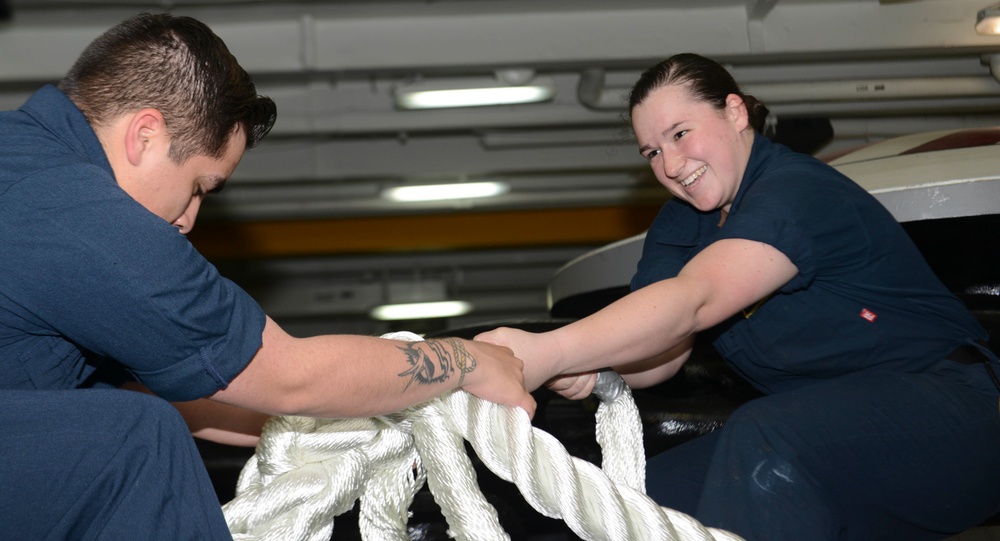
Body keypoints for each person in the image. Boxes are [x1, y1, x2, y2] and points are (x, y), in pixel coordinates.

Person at [0, 12, 534, 540]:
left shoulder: (23, 159)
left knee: (132, 410)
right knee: (137, 440)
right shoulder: (73, 209)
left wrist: (350, 428)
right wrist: (464, 362)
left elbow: (207, 395)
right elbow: (289, 376)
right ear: (145, 135)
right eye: (199, 187)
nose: (188, 221)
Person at [477, 53, 1000, 541]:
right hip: (831, 436)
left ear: (734, 112)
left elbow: (693, 302)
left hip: (960, 416)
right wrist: (592, 368)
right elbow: (663, 354)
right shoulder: (680, 227)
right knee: (630, 500)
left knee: (766, 438)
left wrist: (548, 351)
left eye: (681, 134)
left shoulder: (794, 191)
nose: (671, 164)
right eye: (653, 152)